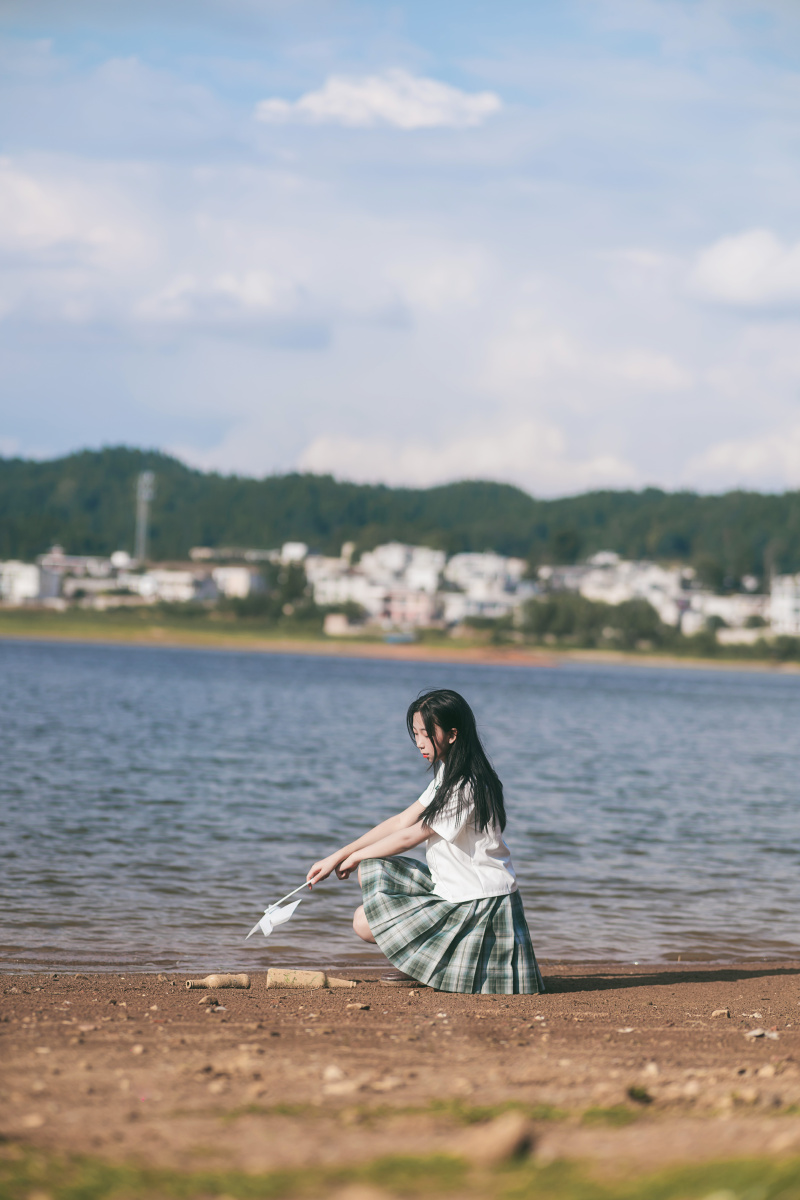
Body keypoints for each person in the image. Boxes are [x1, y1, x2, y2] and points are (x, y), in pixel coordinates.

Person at [306, 688, 544, 994]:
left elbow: (410, 835)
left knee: (366, 912)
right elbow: (401, 821)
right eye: (415, 733)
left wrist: (354, 859)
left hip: (480, 904)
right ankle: (425, 962)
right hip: (452, 891)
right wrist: (337, 856)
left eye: (425, 733)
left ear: (452, 734)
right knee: (367, 903)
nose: (418, 742)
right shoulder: (449, 774)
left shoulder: (468, 785)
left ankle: (426, 965)